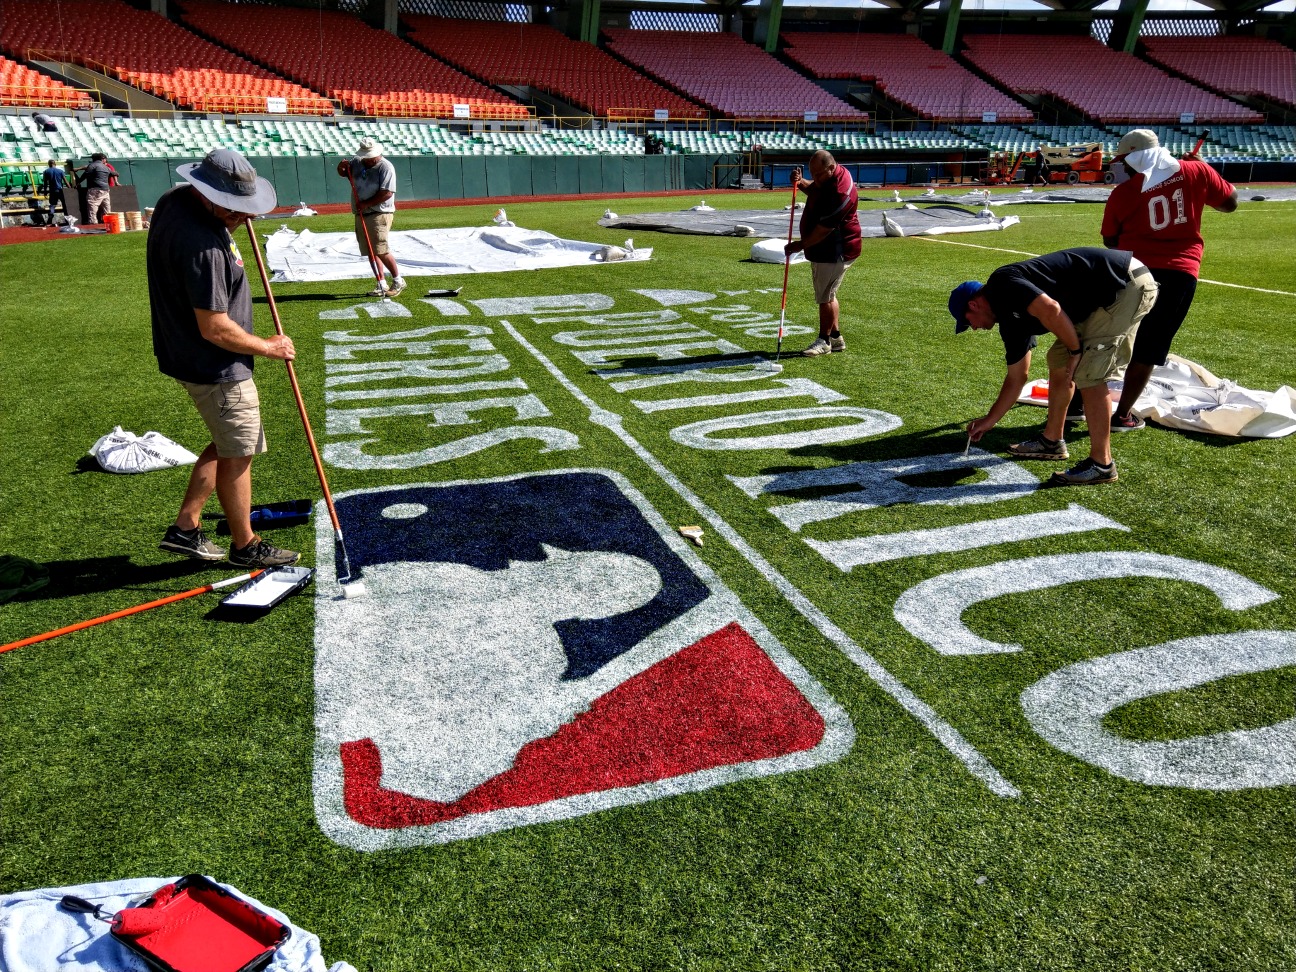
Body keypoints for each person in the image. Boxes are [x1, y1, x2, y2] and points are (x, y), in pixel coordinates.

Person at [148, 149, 300, 568]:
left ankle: (186, 528)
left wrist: (230, 220)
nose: (244, 217)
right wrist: (268, 346)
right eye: (235, 209)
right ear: (207, 194)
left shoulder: (176, 199)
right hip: (213, 363)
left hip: (185, 352)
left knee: (227, 440)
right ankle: (245, 545)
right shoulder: (203, 247)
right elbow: (214, 327)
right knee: (239, 450)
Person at [950, 246, 1159, 485]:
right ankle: (1052, 440)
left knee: (1089, 373)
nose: (974, 328)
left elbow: (1051, 309)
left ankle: (1102, 464)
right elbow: (1018, 376)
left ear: (974, 305)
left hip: (1124, 284)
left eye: (968, 322)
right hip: (1100, 295)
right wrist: (990, 419)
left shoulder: (1002, 284)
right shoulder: (1009, 322)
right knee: (1058, 361)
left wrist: (1076, 350)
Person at [1099, 128, 1238, 431]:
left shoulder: (1123, 192)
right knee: (1149, 347)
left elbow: (1111, 239)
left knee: (1111, 337)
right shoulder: (1197, 171)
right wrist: (1202, 169)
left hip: (1132, 270)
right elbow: (1230, 203)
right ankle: (1122, 414)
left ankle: (1077, 404)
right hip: (1179, 271)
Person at [784, 150, 861, 357]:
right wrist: (801, 182)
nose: (815, 179)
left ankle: (824, 340)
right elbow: (816, 190)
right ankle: (836, 337)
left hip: (835, 248)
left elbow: (823, 230)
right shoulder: (829, 178)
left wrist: (800, 245)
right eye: (812, 174)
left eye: (818, 174)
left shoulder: (840, 192)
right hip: (829, 248)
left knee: (825, 296)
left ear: (831, 167)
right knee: (829, 293)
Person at [337, 138, 405, 297]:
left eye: (370, 157)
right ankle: (381, 283)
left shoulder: (386, 167)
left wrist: (366, 204)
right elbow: (345, 174)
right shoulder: (357, 162)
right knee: (370, 250)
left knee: (380, 249)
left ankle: (398, 280)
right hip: (362, 213)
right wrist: (341, 168)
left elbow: (387, 193)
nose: (367, 159)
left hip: (379, 213)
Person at [78, 153, 116, 225]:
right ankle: (109, 223)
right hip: (106, 190)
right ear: (101, 159)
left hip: (95, 189)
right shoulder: (106, 167)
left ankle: (93, 224)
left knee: (93, 207)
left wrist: (77, 182)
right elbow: (115, 173)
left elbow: (85, 175)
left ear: (93, 159)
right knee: (107, 209)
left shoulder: (92, 165)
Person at [40, 159, 66, 226]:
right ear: (55, 164)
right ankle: (67, 218)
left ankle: (50, 216)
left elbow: (45, 183)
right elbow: (65, 181)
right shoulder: (60, 171)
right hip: (60, 190)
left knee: (52, 205)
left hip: (52, 191)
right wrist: (70, 188)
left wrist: (45, 191)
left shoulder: (46, 171)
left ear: (49, 164)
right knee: (64, 204)